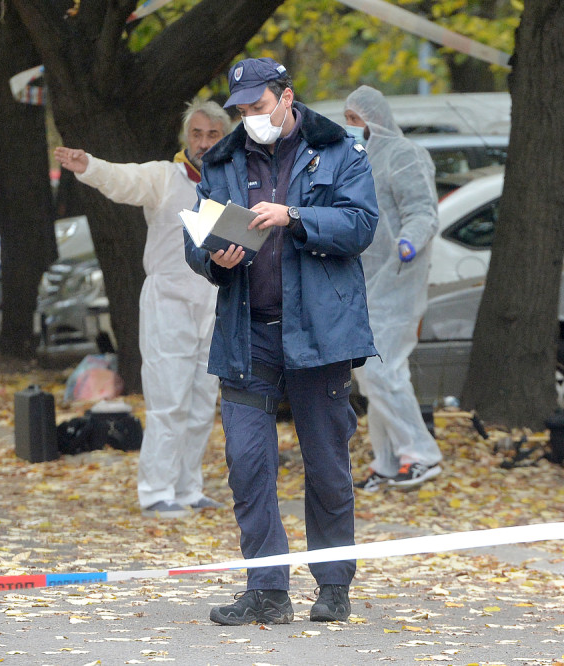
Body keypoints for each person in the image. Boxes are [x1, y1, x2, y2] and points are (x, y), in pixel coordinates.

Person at [184, 58, 379, 626]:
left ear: (286, 97)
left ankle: (334, 583)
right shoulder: (221, 162)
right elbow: (199, 242)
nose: (250, 118)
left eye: (258, 106)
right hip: (249, 336)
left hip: (320, 334)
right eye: (241, 110)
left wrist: (294, 215)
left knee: (325, 464)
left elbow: (361, 226)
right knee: (247, 465)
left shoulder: (339, 150)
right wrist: (215, 258)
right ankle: (268, 589)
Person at [53, 99, 231, 519]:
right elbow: (124, 179)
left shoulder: (234, 182)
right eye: (197, 134)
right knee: (169, 399)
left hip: (214, 302)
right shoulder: (165, 177)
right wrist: (89, 166)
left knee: (203, 401)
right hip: (168, 301)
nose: (203, 143)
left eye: (213, 135)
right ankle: (156, 490)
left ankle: (188, 488)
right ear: (186, 137)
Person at [343, 85, 444, 492]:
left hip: (399, 279)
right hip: (366, 282)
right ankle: (388, 462)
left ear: (374, 118)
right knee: (372, 375)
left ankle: (422, 454)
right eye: (347, 120)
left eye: (356, 120)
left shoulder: (404, 155)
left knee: (379, 370)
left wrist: (409, 243)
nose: (351, 128)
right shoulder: (356, 160)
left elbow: (422, 209)